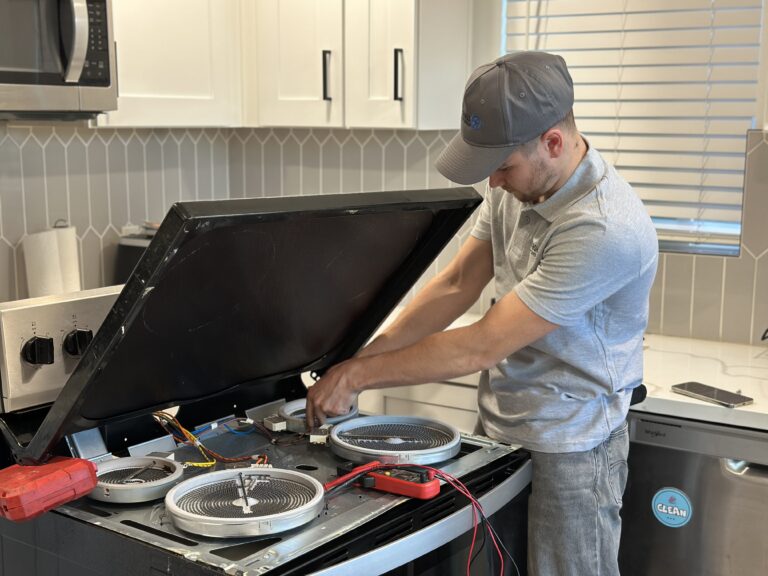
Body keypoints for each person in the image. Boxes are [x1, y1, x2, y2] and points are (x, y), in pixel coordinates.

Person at [306, 50, 658, 576]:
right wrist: (354, 361)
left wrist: (357, 375)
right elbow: (455, 285)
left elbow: (481, 344)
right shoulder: (519, 184)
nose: (492, 182)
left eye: (501, 166)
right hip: (498, 428)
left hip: (573, 447)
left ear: (553, 143)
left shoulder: (604, 227)